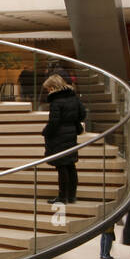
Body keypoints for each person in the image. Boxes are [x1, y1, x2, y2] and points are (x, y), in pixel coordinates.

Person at [41, 74, 85, 204]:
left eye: (48, 89)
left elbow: (54, 122)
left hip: (59, 137)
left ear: (53, 87)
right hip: (71, 134)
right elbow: (82, 114)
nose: (48, 91)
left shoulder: (56, 102)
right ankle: (71, 196)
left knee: (62, 167)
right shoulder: (73, 98)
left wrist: (46, 132)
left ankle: (62, 197)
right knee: (70, 165)